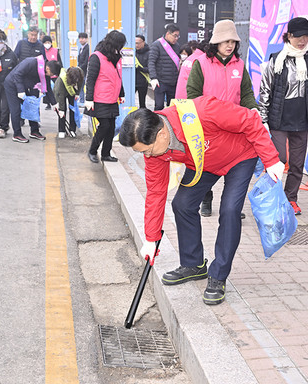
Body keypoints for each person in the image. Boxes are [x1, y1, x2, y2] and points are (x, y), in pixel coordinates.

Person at [118, 96, 284, 305]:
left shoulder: (203, 111)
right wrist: (151, 239)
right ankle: (193, 264)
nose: (147, 156)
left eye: (146, 150)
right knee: (182, 205)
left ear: (161, 134)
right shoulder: (155, 152)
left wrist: (271, 160)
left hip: (239, 156)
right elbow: (155, 193)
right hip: (203, 164)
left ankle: (218, 276)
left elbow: (250, 119)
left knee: (230, 210)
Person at [187, 20, 259, 218]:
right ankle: (206, 198)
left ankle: (231, 206)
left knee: (234, 167)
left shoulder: (239, 65)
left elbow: (246, 93)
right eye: (225, 41)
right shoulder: (201, 64)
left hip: (235, 127)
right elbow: (192, 94)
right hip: (209, 127)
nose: (230, 45)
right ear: (216, 43)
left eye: (233, 42)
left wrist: (253, 108)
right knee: (206, 165)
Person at [258, 17, 308, 216]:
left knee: (297, 163)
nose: (302, 40)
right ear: (289, 36)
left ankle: (291, 199)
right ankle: (272, 197)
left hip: (301, 119)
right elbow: (265, 90)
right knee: (278, 159)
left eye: (306, 36)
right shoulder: (276, 59)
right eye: (298, 36)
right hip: (278, 118)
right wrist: (263, 118)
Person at [84, 30, 126, 163]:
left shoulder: (116, 57)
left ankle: (106, 154)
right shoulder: (96, 57)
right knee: (104, 126)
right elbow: (90, 79)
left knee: (111, 127)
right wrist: (89, 99)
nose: (120, 48)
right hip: (99, 98)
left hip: (112, 98)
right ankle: (92, 151)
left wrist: (121, 93)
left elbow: (118, 77)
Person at [4, 56, 60, 143]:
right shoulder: (30, 62)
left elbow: (48, 88)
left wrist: (54, 104)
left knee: (32, 106)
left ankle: (34, 131)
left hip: (23, 86)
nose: (52, 76)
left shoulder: (46, 72)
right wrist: (21, 91)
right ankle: (17, 134)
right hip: (12, 84)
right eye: (52, 74)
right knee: (16, 109)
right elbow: (17, 74)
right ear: (48, 68)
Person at [148, 23, 180, 110]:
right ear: (168, 34)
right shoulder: (157, 45)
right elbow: (151, 62)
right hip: (160, 81)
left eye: (178, 36)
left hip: (173, 82)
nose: (176, 38)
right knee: (159, 106)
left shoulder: (177, 46)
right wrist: (153, 77)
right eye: (175, 36)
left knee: (172, 107)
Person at [53, 66, 84, 139]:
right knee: (62, 111)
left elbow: (80, 84)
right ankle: (61, 130)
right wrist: (60, 108)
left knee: (73, 109)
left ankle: (72, 129)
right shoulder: (62, 80)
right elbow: (60, 95)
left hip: (72, 91)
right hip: (62, 91)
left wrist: (77, 93)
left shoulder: (80, 74)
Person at [42, 35, 62, 110]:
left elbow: (59, 62)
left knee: (55, 90)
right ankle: (48, 103)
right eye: (46, 42)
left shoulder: (55, 51)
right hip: (46, 73)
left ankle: (55, 101)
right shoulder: (42, 50)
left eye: (49, 42)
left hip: (54, 75)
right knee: (46, 89)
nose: (47, 44)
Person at [135, 34, 150, 109]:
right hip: (132, 82)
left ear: (143, 42)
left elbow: (150, 68)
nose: (136, 45)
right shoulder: (132, 52)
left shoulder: (149, 53)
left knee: (142, 103)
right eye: (135, 43)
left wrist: (140, 68)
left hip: (143, 81)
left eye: (138, 43)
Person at [77, 32, 89, 103]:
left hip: (85, 70)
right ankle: (82, 100)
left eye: (83, 38)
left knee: (85, 85)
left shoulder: (87, 48)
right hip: (81, 70)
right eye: (80, 38)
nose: (81, 40)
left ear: (86, 39)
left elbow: (86, 60)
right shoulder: (81, 48)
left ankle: (85, 100)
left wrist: (80, 67)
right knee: (80, 85)